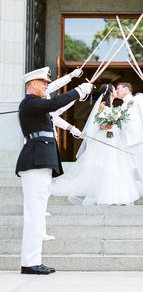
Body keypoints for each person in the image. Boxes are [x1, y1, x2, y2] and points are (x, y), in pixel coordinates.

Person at [15, 67, 93, 275]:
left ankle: (32, 261)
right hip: (35, 162)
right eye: (44, 83)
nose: (47, 86)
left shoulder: (38, 106)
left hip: (40, 162)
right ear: (32, 85)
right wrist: (77, 90)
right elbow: (53, 103)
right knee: (34, 212)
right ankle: (30, 263)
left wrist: (78, 95)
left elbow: (55, 106)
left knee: (38, 211)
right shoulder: (30, 103)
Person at [50, 83, 140, 206]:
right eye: (115, 89)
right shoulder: (102, 106)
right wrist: (112, 122)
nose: (116, 91)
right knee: (106, 165)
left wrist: (115, 120)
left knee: (115, 165)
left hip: (114, 138)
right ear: (110, 92)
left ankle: (116, 193)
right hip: (105, 139)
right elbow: (101, 126)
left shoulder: (114, 106)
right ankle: (105, 194)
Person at [42, 67, 83, 241]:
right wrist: (72, 79)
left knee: (47, 180)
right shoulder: (40, 97)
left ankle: (42, 208)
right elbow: (56, 107)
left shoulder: (44, 97)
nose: (47, 83)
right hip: (41, 146)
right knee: (43, 181)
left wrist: (71, 128)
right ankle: (41, 209)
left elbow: (54, 114)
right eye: (45, 81)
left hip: (50, 141)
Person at [116, 82, 143, 206]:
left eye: (118, 88)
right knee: (129, 171)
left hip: (140, 140)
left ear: (127, 89)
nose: (116, 91)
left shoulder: (139, 98)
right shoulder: (121, 106)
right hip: (127, 143)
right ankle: (129, 198)